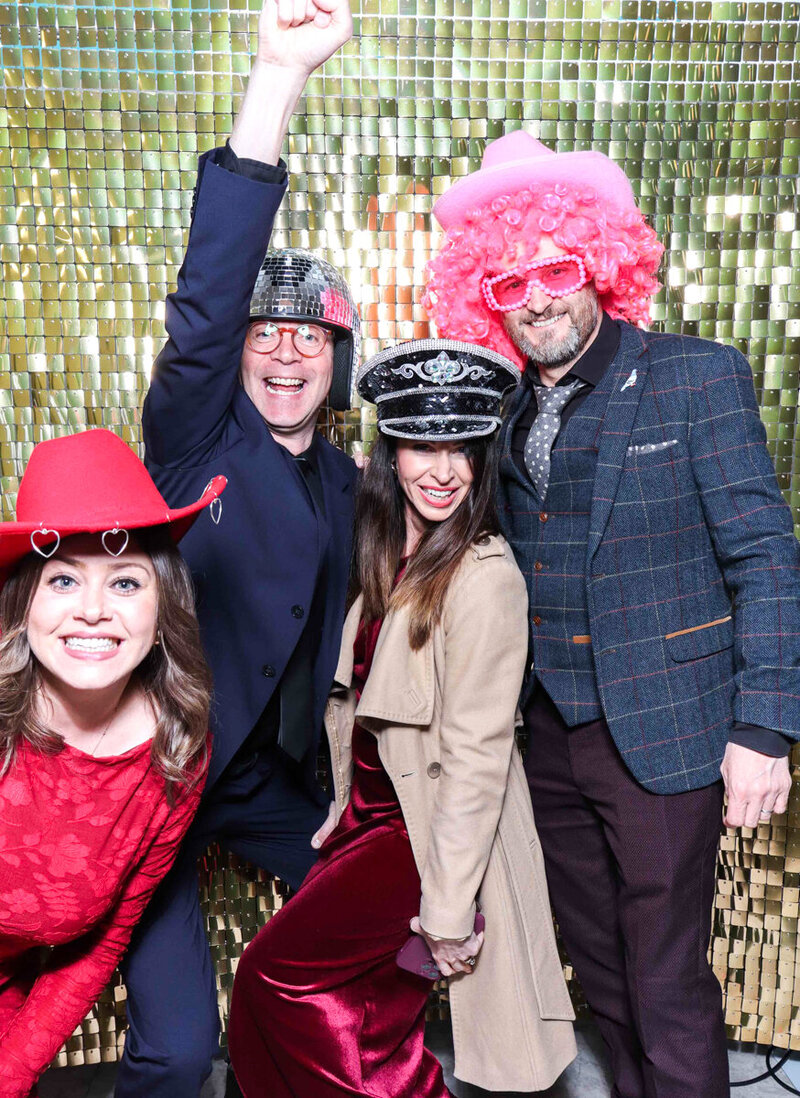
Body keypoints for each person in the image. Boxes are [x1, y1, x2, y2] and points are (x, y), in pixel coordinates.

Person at [423, 130, 800, 1098]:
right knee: (603, 976)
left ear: (594, 256)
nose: (536, 296)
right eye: (508, 282)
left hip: (665, 731)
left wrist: (762, 725)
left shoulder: (692, 375)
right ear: (486, 296)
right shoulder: (495, 409)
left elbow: (763, 554)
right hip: (542, 737)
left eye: (552, 266)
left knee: (664, 977)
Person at [227, 339, 577, 1097]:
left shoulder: (484, 580)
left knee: (271, 980)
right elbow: (360, 703)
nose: (442, 470)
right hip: (371, 820)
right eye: (421, 444)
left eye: (462, 448)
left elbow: (477, 757)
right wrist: (342, 805)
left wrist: (448, 910)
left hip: (421, 836)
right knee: (369, 1026)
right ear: (391, 453)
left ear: (485, 458)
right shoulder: (390, 551)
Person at [117, 1, 359, 1094]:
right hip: (155, 781)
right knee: (176, 1048)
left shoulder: (357, 484)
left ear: (335, 361)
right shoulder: (191, 439)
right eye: (263, 336)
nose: (280, 354)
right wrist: (276, 81)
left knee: (375, 928)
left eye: (306, 336)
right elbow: (208, 296)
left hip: (269, 782)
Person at [0, 429, 222, 1098]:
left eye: (125, 581)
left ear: (163, 607)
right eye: (63, 577)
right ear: (23, 604)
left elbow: (103, 941)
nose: (93, 611)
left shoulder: (178, 749)